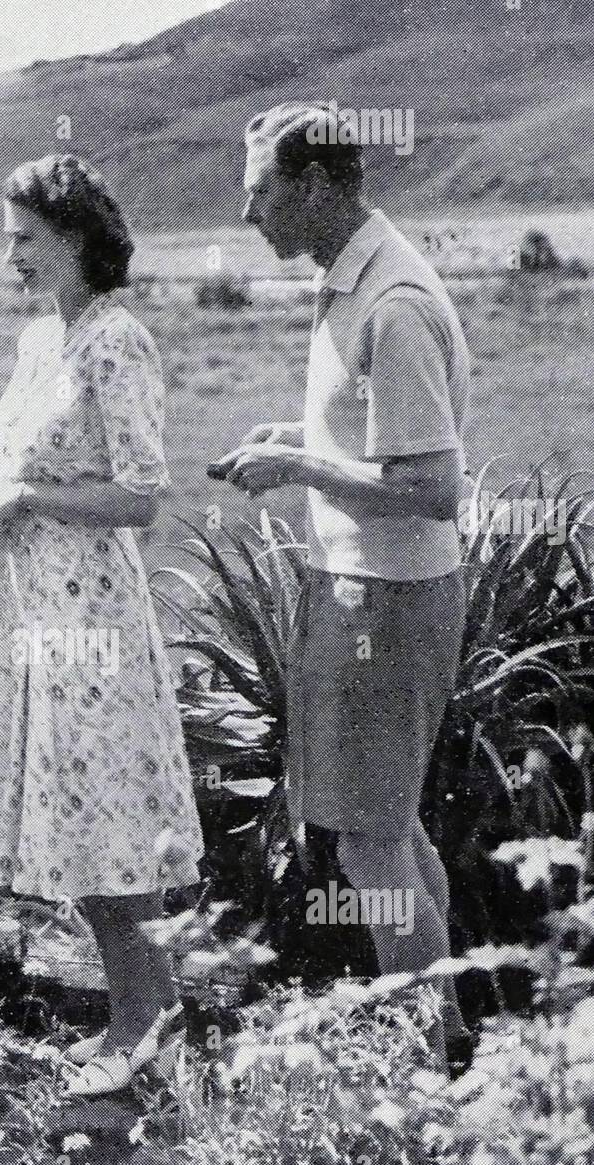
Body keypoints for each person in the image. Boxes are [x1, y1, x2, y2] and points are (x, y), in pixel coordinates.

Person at [215, 103, 472, 1072]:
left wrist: (306, 472)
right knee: (388, 828)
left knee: (369, 848)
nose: (250, 215)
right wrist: (303, 441)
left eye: (261, 191)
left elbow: (434, 486)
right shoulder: (352, 283)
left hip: (387, 599)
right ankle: (446, 1046)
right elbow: (381, 441)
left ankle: (427, 1073)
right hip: (363, 589)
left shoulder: (392, 302)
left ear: (315, 185)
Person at [0, 155, 205, 1098]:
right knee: (76, 826)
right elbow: (35, 478)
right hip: (38, 613)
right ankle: (136, 1023)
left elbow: (141, 496)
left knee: (111, 824)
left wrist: (31, 498)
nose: (10, 254)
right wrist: (4, 505)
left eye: (24, 236)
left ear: (73, 237)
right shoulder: (36, 344)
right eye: (7, 237)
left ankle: (151, 1028)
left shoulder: (115, 341)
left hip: (96, 618)